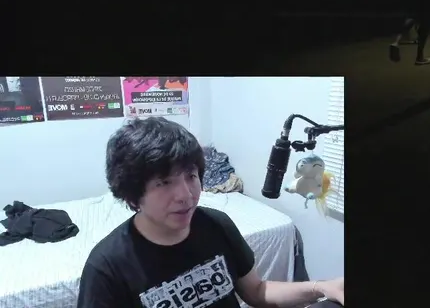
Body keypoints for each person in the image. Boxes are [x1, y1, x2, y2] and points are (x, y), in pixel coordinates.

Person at [77, 117, 345, 308]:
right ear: (132, 194)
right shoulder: (106, 268)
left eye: (191, 176)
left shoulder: (216, 224)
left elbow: (257, 291)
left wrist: (322, 287)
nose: (186, 194)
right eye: (164, 182)